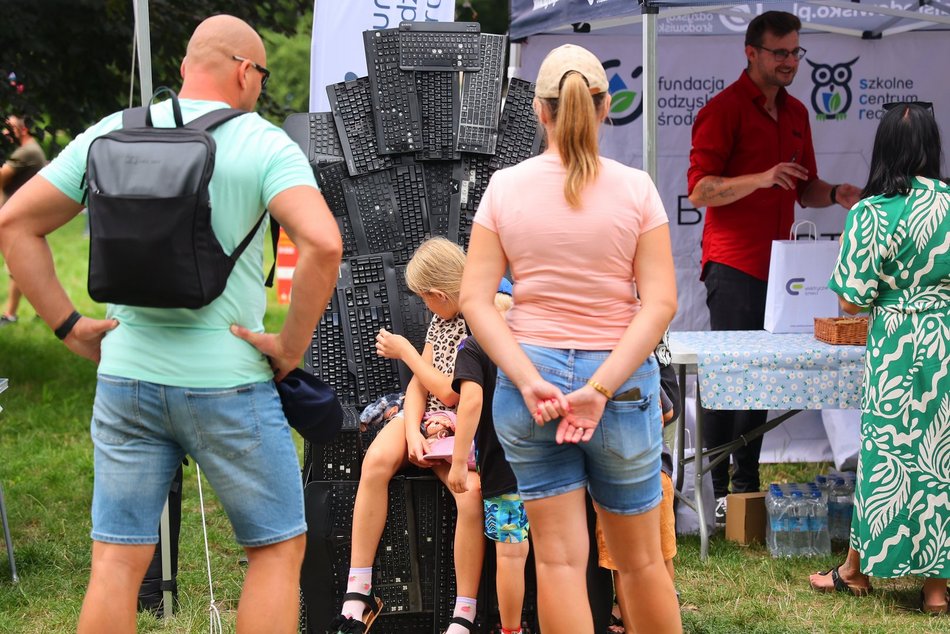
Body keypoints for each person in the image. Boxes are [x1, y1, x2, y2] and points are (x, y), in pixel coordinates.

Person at [0, 15, 343, 633]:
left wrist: (69, 326)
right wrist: (290, 346)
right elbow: (322, 243)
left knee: (115, 561)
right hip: (230, 381)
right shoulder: (263, 144)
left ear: (187, 67)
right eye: (261, 77)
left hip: (126, 378)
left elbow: (15, 224)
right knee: (274, 551)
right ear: (245, 72)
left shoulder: (111, 132)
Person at [460, 44, 681, 634]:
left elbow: (475, 302)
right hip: (620, 387)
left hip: (530, 388)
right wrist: (601, 388)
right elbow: (659, 304)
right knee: (640, 563)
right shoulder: (636, 189)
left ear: (540, 110)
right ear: (605, 107)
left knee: (557, 563)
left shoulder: (505, 188)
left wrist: (530, 381)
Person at [686, 10, 863, 521]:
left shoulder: (798, 113)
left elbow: (802, 188)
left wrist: (835, 193)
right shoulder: (723, 110)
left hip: (786, 270)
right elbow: (700, 190)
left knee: (761, 377)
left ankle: (746, 486)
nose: (790, 61)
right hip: (733, 264)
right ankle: (715, 488)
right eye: (780, 52)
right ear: (752, 53)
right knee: (727, 375)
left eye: (796, 52)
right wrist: (760, 178)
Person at [808, 102, 949, 613]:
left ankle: (856, 571)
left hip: (895, 340)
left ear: (883, 147)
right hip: (944, 340)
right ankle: (935, 589)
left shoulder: (870, 211)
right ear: (933, 145)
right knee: (940, 456)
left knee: (886, 456)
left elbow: (851, 301)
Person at [332, 237, 484, 634]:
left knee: (471, 498)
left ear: (439, 293)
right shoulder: (441, 319)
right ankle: (358, 588)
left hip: (463, 426)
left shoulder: (480, 319)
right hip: (429, 417)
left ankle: (463, 612)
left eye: (425, 300)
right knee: (377, 460)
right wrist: (413, 429)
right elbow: (421, 383)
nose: (425, 308)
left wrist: (406, 352)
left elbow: (453, 390)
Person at [447, 282, 530, 634]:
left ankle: (510, 630)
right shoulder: (535, 341)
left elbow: (471, 403)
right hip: (554, 467)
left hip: (503, 468)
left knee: (511, 553)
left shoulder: (473, 347)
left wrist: (455, 462)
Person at [0, 115, 46, 325]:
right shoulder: (31, 149)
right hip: (24, 216)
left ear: (23, 130)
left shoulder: (26, 152)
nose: (5, 134)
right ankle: (43, 310)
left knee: (19, 267)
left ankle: (11, 315)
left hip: (20, 217)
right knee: (25, 266)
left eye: (8, 130)